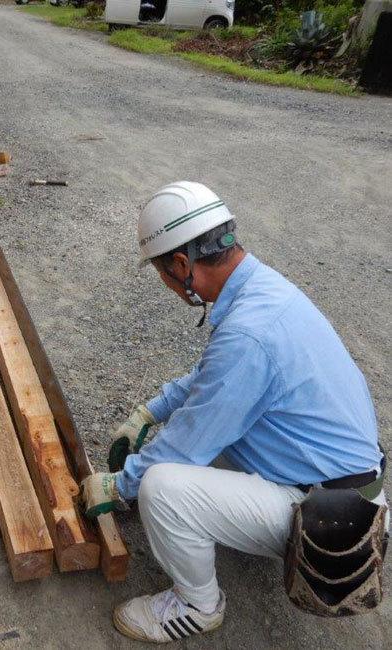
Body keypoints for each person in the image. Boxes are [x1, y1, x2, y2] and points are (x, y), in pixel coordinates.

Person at [80, 181, 387, 643]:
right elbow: (216, 380)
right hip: (349, 485)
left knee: (162, 487)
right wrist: (151, 410)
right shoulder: (263, 291)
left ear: (182, 265)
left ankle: (196, 606)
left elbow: (186, 446)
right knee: (196, 450)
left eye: (162, 273)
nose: (165, 284)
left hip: (332, 522)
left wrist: (119, 485)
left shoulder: (249, 336)